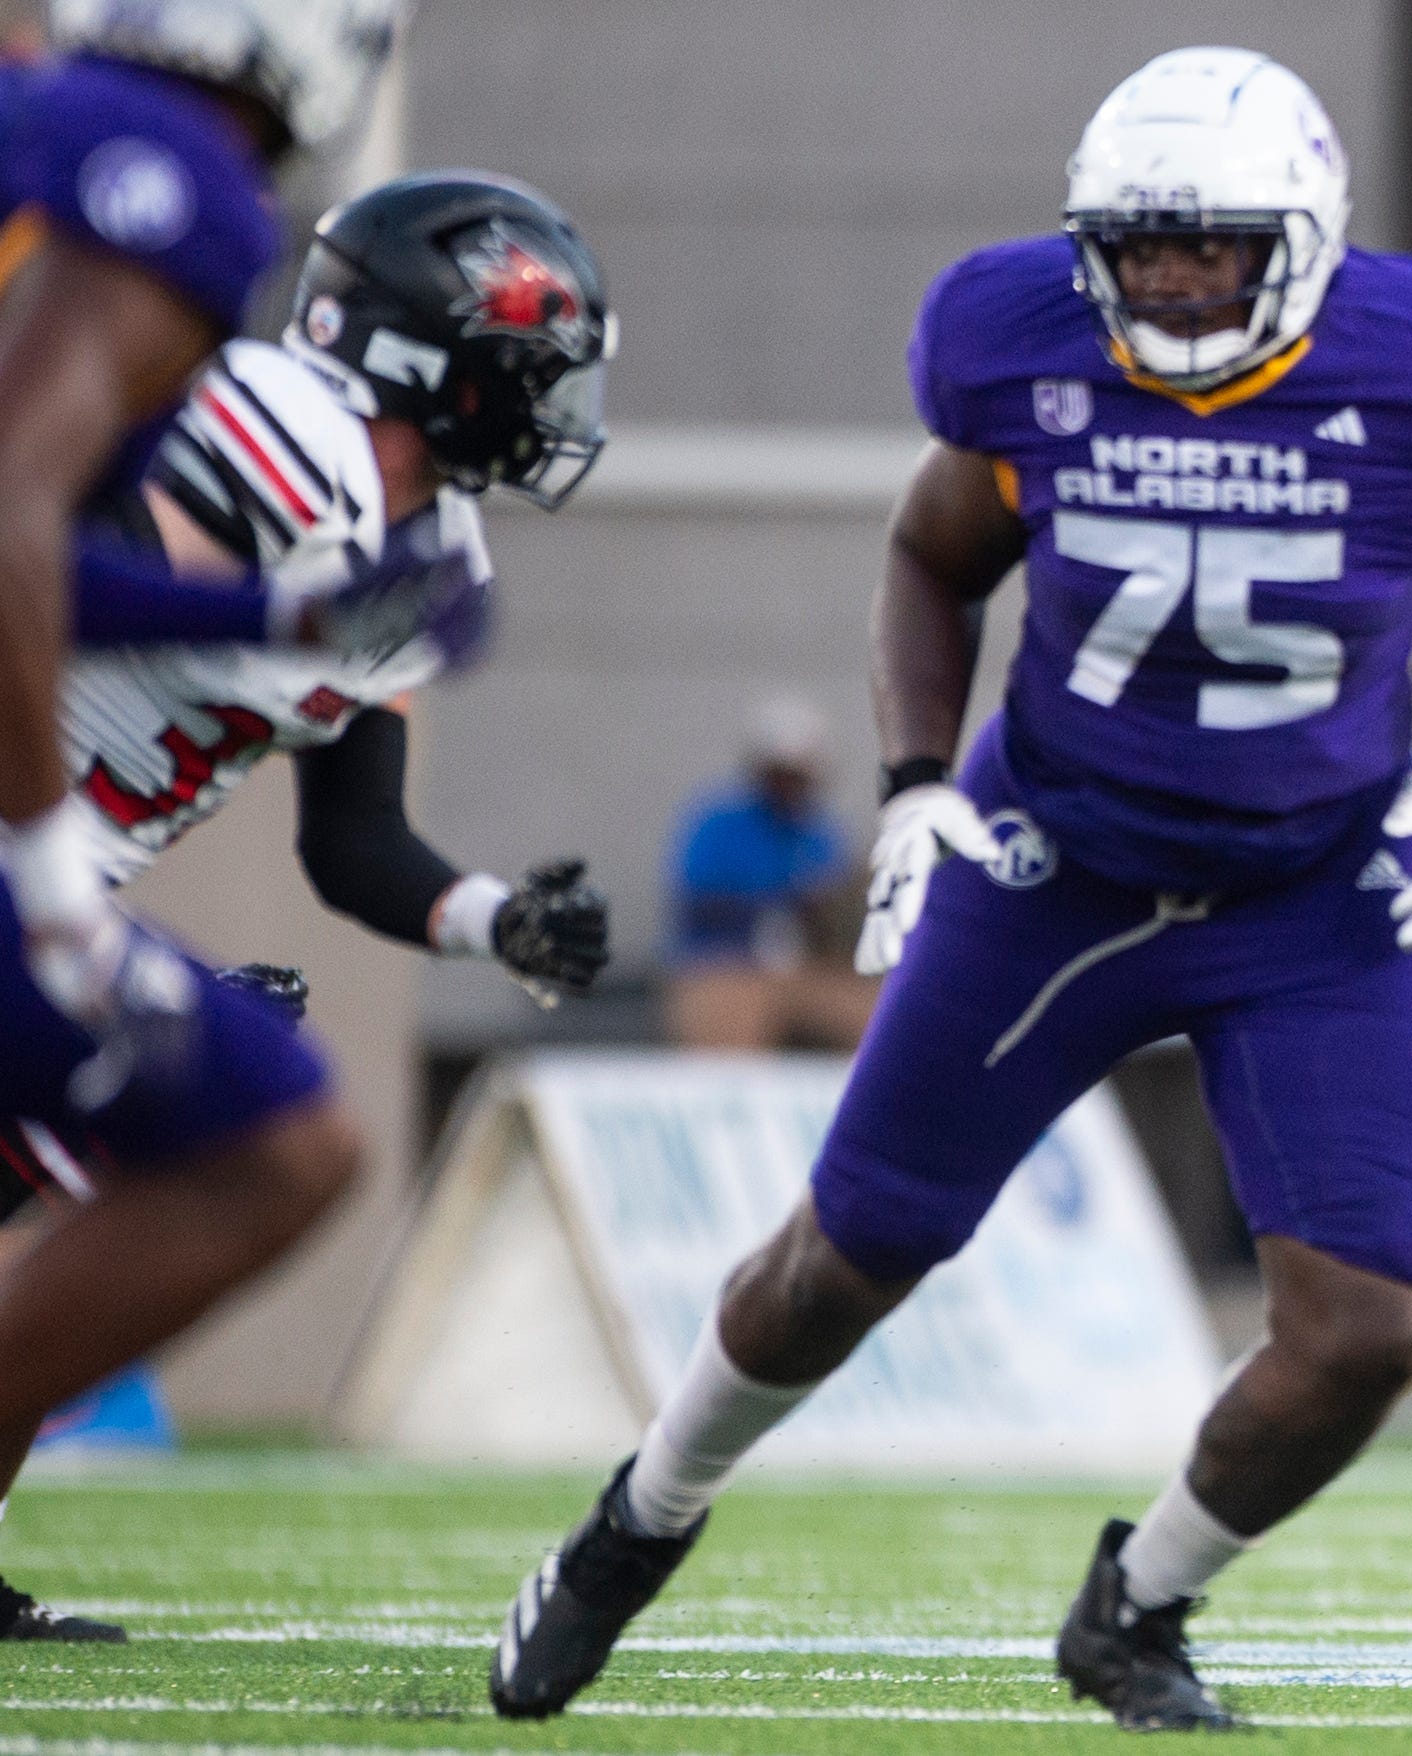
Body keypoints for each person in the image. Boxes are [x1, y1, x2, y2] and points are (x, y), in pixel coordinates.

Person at [489, 45, 1412, 1732]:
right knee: (846, 1257)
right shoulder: (1019, 340)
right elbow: (932, 550)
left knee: (1372, 1322)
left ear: (1305, 242)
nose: (1169, 283)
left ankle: (1137, 1607)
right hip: (1058, 866)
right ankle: (638, 1519)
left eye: (1209, 248)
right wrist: (913, 783)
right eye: (1138, 250)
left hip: (1309, 895)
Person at [0, 168, 617, 1638]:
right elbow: (48, 578)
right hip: (29, 868)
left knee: (172, 1141)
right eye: (533, 367)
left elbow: (355, 841)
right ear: (434, 355)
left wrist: (493, 920)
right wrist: (274, 614)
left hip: (50, 900)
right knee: (215, 1137)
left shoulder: (431, 548)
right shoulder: (272, 430)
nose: (553, 405)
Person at [0, 0, 412, 1638]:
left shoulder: (47, 116)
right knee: (275, 1145)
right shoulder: (169, 173)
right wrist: (52, 877)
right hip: (34, 828)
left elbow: (37, 550)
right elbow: (10, 521)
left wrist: (276, 621)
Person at [663, 696, 876, 1050]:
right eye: (780, 774)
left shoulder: (821, 833)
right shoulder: (718, 824)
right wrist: (776, 906)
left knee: (873, 1016)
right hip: (725, 964)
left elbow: (836, 912)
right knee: (732, 1021)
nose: (788, 785)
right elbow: (696, 903)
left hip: (805, 968)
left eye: (798, 776)